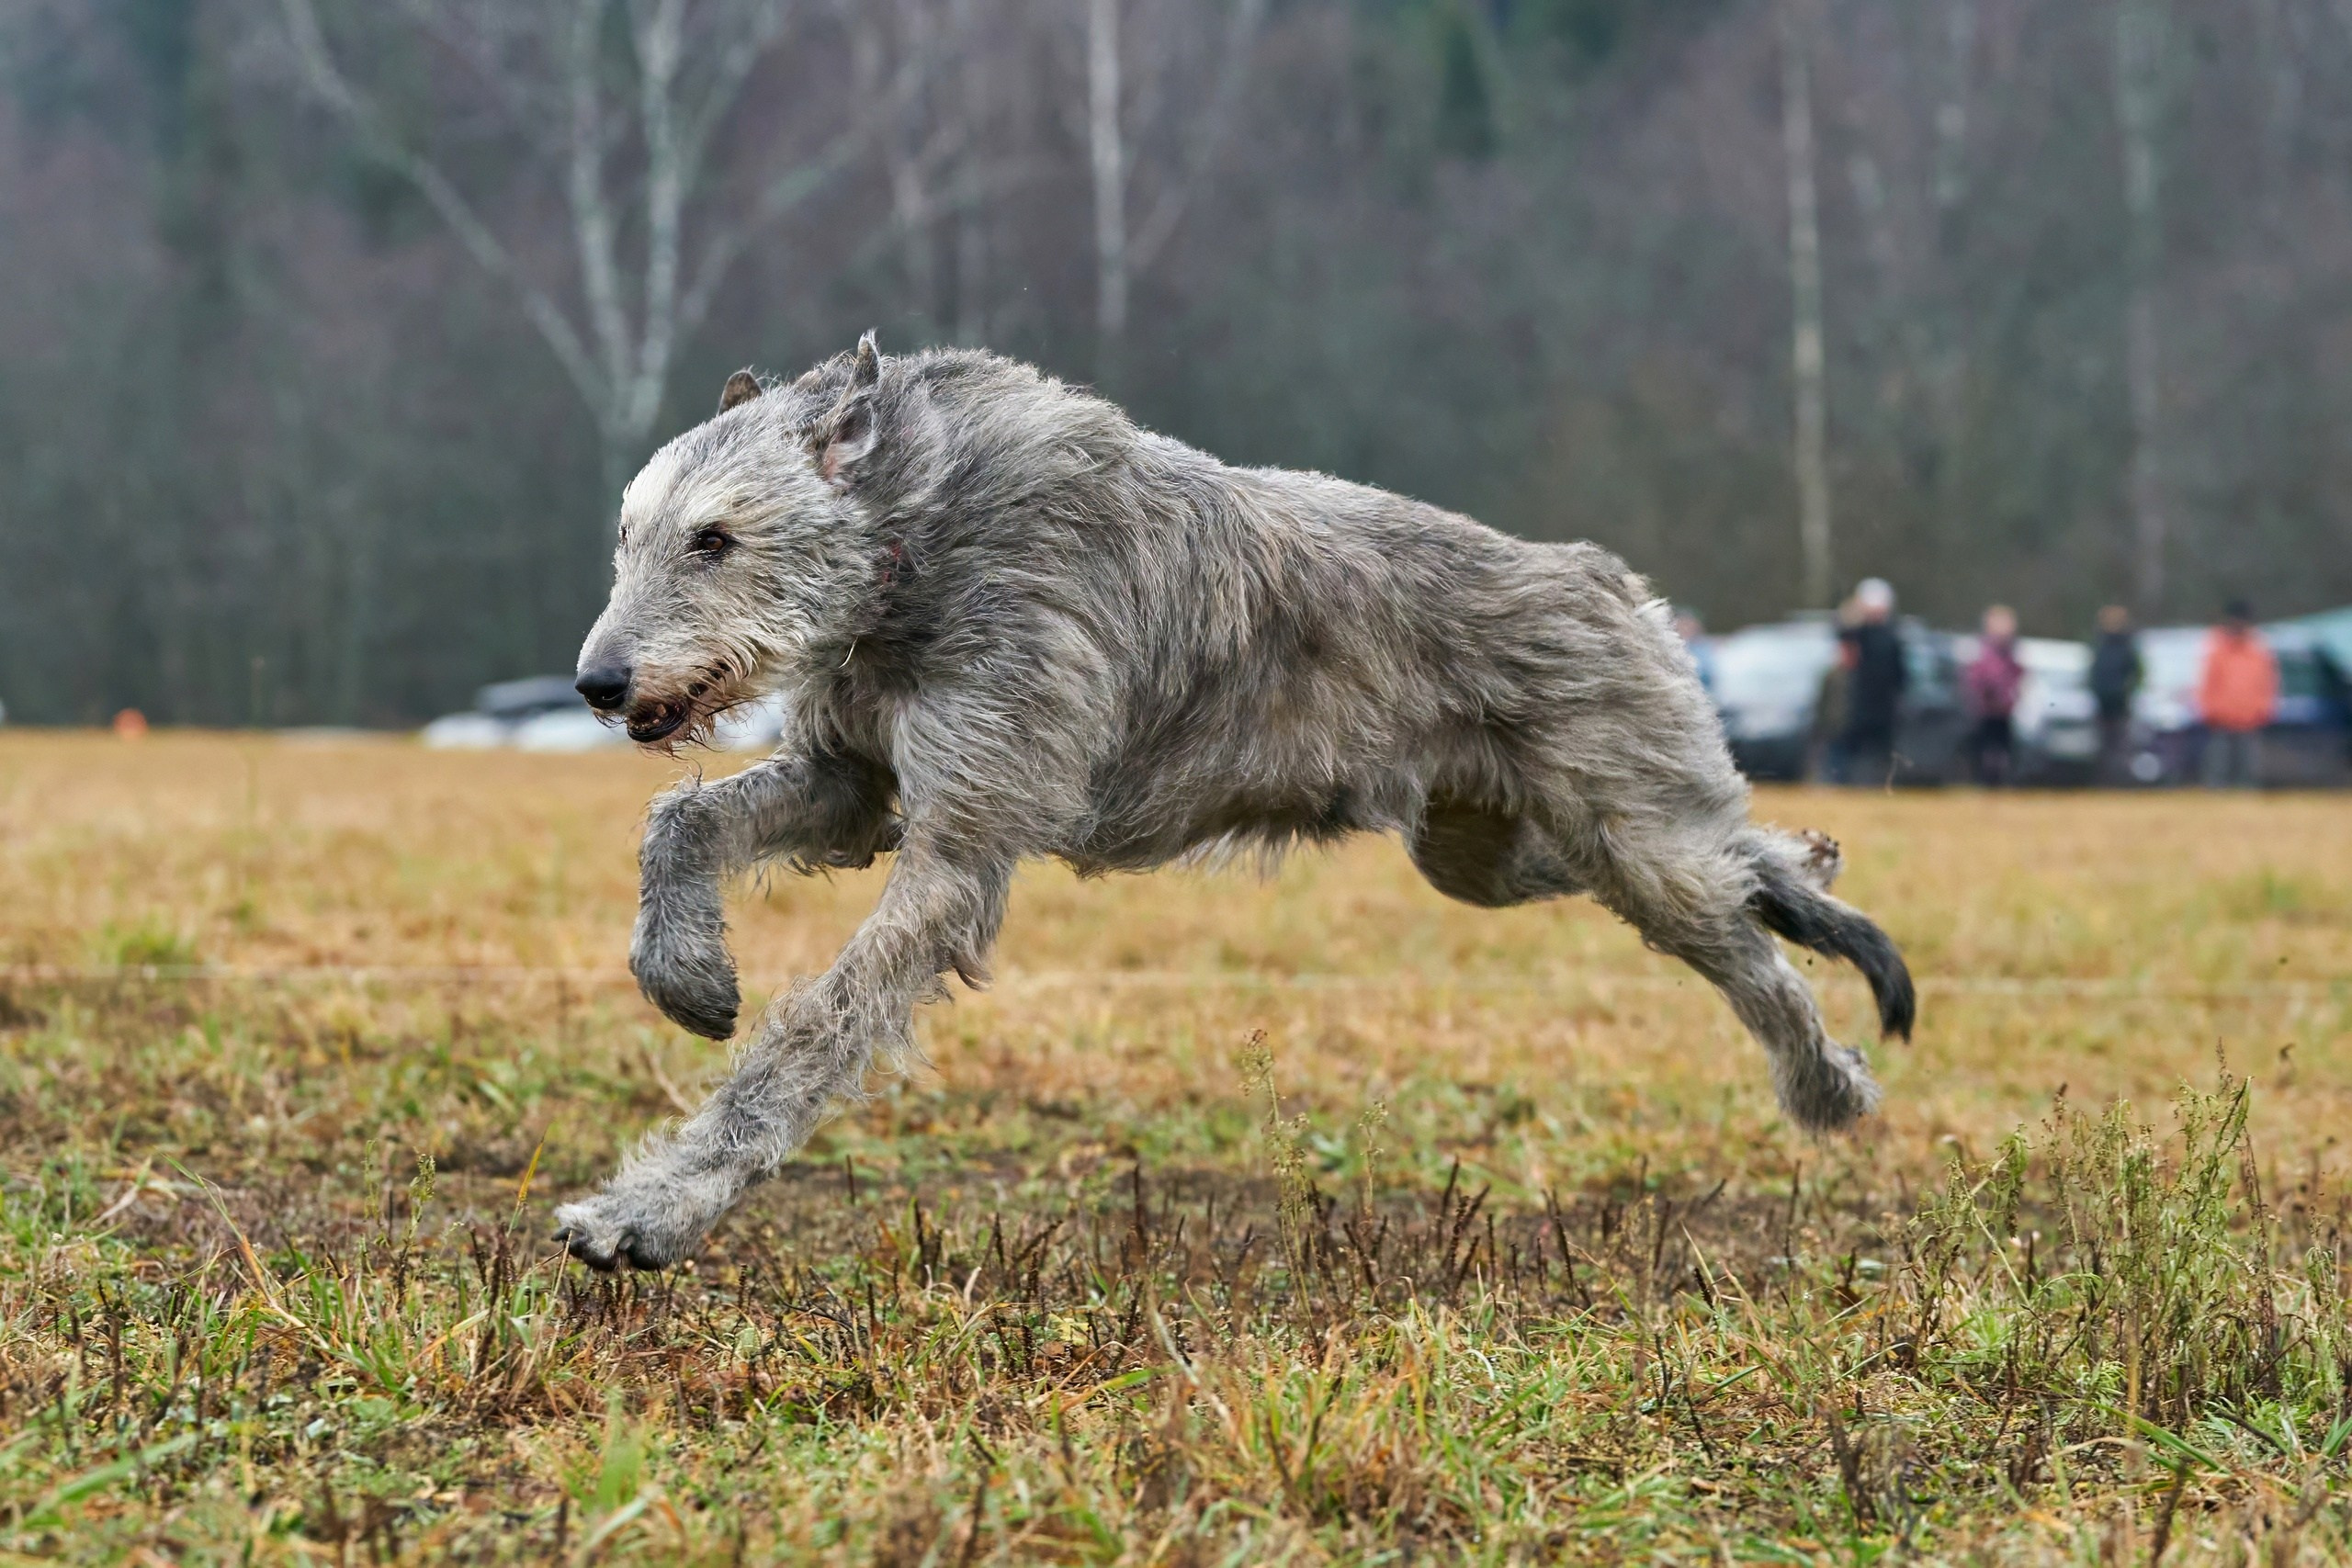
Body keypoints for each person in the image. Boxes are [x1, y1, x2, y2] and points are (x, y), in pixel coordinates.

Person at [2198, 600, 2278, 788]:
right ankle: (2216, 793)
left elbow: (2267, 682)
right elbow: (2209, 681)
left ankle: (2247, 792)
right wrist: (2209, 709)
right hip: (2221, 715)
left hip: (2250, 715)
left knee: (2248, 763)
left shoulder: (2258, 649)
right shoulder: (2217, 648)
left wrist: (2264, 707)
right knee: (2219, 762)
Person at [1836, 578, 1905, 786]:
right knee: (1852, 749)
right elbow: (1841, 632)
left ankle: (1880, 784)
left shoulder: (1892, 636)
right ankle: (1846, 783)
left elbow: (1899, 674)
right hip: (1859, 703)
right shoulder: (1857, 633)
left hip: (1883, 705)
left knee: (1881, 752)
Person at [1962, 605, 2024, 787]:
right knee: (1983, 753)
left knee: (2003, 754)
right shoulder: (1980, 651)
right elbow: (1974, 679)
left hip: (2004, 712)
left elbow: (2018, 677)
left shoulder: (2013, 653)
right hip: (1983, 711)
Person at [2087, 604, 2143, 784]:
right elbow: (2092, 674)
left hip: (2121, 705)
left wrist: (2127, 692)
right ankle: (2104, 781)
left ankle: (2122, 782)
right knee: (2103, 747)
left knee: (2122, 746)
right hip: (2102, 705)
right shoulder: (2098, 645)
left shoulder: (2127, 647)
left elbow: (2137, 674)